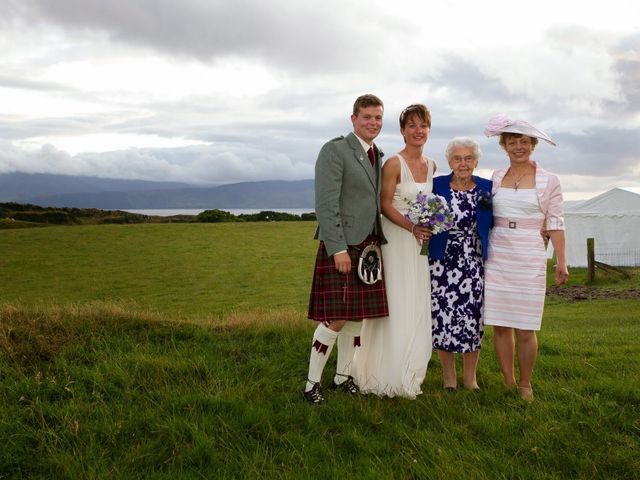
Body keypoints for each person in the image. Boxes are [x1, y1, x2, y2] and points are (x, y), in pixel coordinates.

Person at [304, 94, 389, 404]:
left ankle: (343, 377)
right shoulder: (335, 150)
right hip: (344, 245)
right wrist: (337, 248)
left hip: (368, 247)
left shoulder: (377, 154)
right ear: (353, 119)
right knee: (337, 317)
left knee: (358, 317)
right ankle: (311, 384)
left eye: (378, 118)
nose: (373, 123)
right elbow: (326, 204)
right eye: (367, 117)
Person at [483, 114, 569, 402]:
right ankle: (507, 380)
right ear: (504, 145)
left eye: (523, 141)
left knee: (526, 326)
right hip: (498, 253)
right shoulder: (496, 177)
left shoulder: (550, 181)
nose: (517, 146)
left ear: (532, 145)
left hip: (529, 253)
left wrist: (561, 260)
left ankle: (525, 383)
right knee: (500, 324)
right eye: (511, 142)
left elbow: (555, 222)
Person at [353, 104, 436, 398]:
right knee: (396, 301)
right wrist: (411, 227)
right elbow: (385, 204)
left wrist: (430, 224)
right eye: (411, 125)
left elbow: (431, 204)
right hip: (398, 238)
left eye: (422, 125)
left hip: (420, 243)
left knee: (415, 300)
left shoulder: (432, 165)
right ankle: (382, 373)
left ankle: (410, 368)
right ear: (402, 130)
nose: (418, 131)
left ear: (429, 129)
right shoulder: (393, 164)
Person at [428, 137, 493, 391]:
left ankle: (470, 378)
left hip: (474, 261)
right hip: (442, 262)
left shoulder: (487, 187)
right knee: (443, 319)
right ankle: (449, 378)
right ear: (449, 161)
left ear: (476, 161)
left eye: (468, 158)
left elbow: (501, 218)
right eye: (457, 158)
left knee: (472, 319)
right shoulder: (437, 185)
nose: (463, 163)